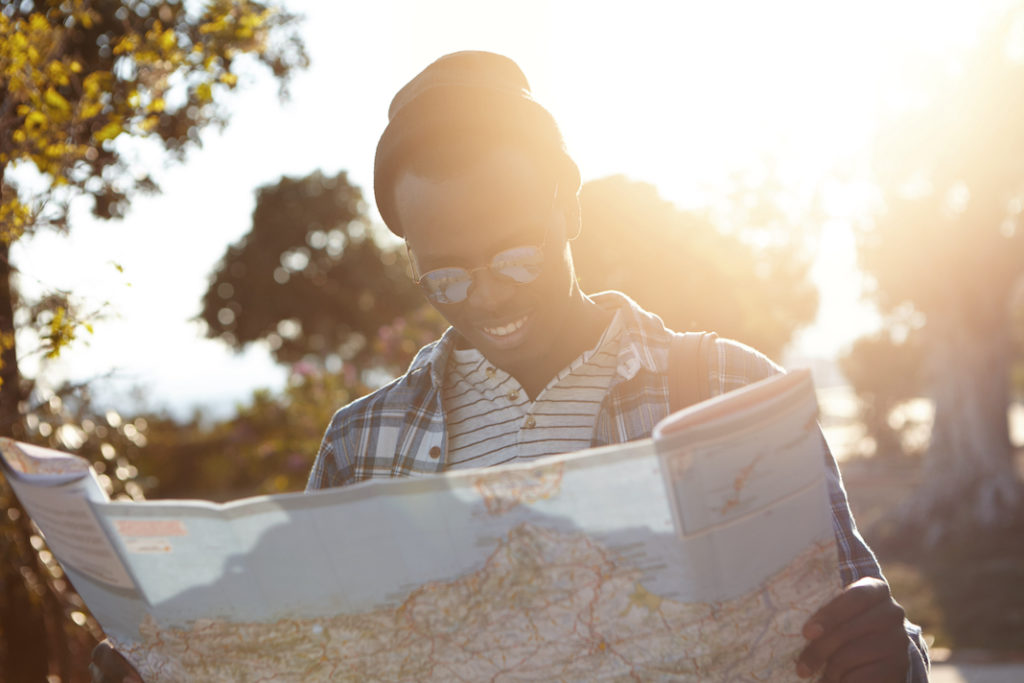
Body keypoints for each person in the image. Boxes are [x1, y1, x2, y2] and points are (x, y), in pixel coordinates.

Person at [92, 51, 929, 682]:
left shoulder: (727, 390)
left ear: (566, 203)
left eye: (515, 254)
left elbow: (861, 625)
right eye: (445, 272)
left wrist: (895, 657)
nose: (488, 295)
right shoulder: (364, 442)